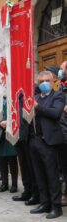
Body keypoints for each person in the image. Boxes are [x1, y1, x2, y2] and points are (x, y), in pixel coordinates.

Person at [29, 71, 65, 219]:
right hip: (35, 140)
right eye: (41, 81)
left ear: (53, 81)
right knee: (39, 174)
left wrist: (37, 107)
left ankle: (56, 206)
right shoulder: (36, 97)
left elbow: (55, 113)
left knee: (52, 175)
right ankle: (45, 203)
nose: (44, 83)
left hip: (50, 141)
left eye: (47, 81)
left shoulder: (59, 96)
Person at [0, 97, 18, 193]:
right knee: (1, 159)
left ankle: (14, 184)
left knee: (12, 159)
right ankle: (4, 183)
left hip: (12, 130)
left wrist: (9, 121)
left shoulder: (13, 95)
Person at [57, 61, 67, 206]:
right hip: (61, 133)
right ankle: (64, 194)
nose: (60, 71)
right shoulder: (61, 87)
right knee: (63, 166)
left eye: (62, 69)